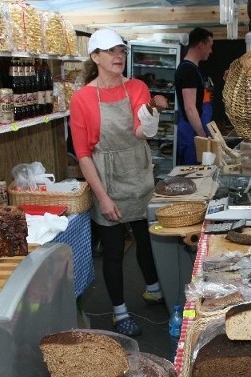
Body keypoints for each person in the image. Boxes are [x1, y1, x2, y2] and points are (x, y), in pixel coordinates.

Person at [70, 28, 168, 336]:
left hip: (138, 170)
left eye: (121, 51)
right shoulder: (83, 98)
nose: (118, 56)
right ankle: (119, 311)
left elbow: (142, 133)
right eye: (110, 51)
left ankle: (153, 287)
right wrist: (103, 197)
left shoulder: (136, 87)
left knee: (147, 235)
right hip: (106, 176)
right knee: (113, 249)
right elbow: (83, 154)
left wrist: (151, 113)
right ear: (95, 56)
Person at [175, 27, 214, 165]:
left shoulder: (192, 69)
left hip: (193, 130)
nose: (211, 51)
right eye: (210, 46)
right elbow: (190, 108)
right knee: (192, 173)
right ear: (201, 45)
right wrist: (202, 136)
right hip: (191, 132)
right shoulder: (188, 70)